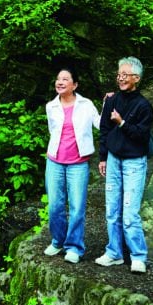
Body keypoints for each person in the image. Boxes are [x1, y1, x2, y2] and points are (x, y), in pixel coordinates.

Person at [95, 56, 153, 274]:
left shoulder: (144, 106)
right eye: (119, 74)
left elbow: (141, 136)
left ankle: (138, 256)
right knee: (112, 209)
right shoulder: (111, 100)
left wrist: (122, 123)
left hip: (134, 162)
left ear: (136, 78)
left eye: (125, 75)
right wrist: (102, 157)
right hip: (113, 159)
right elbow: (103, 128)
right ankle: (114, 253)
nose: (120, 78)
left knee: (129, 212)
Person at [44, 66, 101, 264]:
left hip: (78, 163)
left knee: (77, 207)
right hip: (54, 162)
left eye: (65, 79)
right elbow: (53, 131)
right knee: (55, 206)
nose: (60, 82)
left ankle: (74, 247)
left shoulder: (86, 104)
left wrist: (111, 105)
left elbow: (101, 124)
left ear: (74, 85)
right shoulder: (51, 106)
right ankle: (58, 240)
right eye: (58, 79)